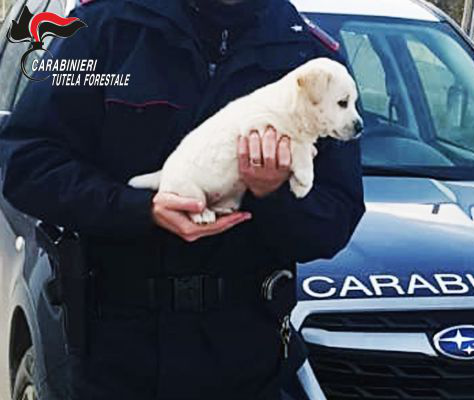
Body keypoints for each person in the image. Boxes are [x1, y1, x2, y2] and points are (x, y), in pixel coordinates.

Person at [0, 0, 365, 398]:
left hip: (245, 361)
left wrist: (271, 193)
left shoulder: (310, 57)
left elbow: (334, 221)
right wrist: (139, 209)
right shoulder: (102, 29)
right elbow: (25, 163)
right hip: (117, 355)